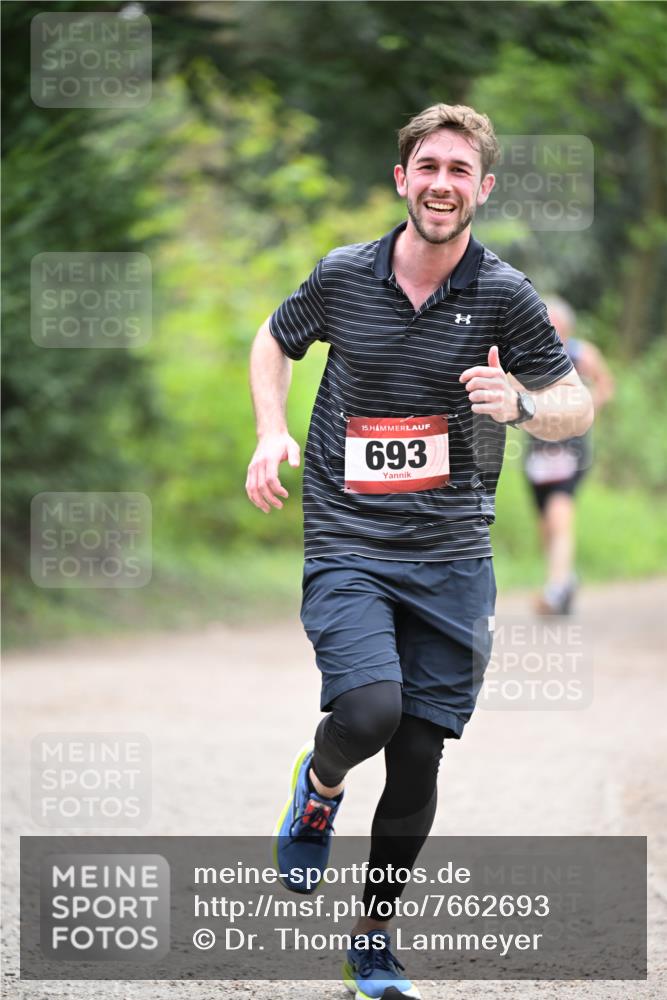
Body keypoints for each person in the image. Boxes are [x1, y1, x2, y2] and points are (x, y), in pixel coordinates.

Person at [246, 103, 593, 1000]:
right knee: (367, 713)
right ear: (402, 179)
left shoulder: (503, 295)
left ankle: (372, 942)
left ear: (483, 186)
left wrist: (516, 402)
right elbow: (273, 341)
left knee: (419, 754)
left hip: (450, 553)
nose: (442, 183)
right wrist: (268, 431)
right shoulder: (343, 275)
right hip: (350, 539)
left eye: (459, 170)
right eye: (426, 167)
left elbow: (573, 405)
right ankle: (318, 787)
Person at [521, 296, 614, 614]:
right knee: (546, 524)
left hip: (571, 450)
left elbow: (605, 385)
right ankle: (565, 579)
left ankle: (555, 589)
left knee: (560, 513)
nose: (550, 328)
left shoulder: (581, 354)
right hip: (537, 452)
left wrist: (587, 410)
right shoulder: (526, 355)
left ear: (567, 326)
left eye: (556, 323)